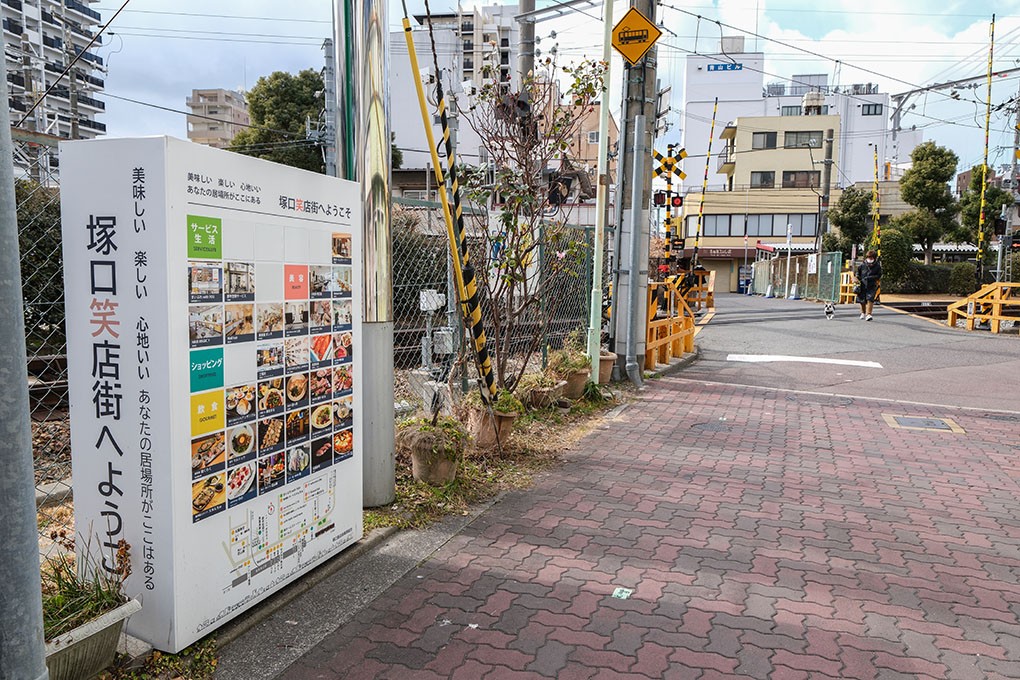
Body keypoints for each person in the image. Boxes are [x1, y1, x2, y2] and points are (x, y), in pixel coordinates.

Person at [856, 250, 882, 321]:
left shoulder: (877, 266)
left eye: (871, 258)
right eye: (868, 257)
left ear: (874, 258)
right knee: (862, 300)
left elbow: (879, 275)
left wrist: (870, 278)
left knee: (870, 299)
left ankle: (869, 314)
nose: (870, 259)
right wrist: (857, 278)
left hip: (872, 285)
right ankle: (862, 313)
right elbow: (857, 273)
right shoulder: (862, 265)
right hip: (862, 284)